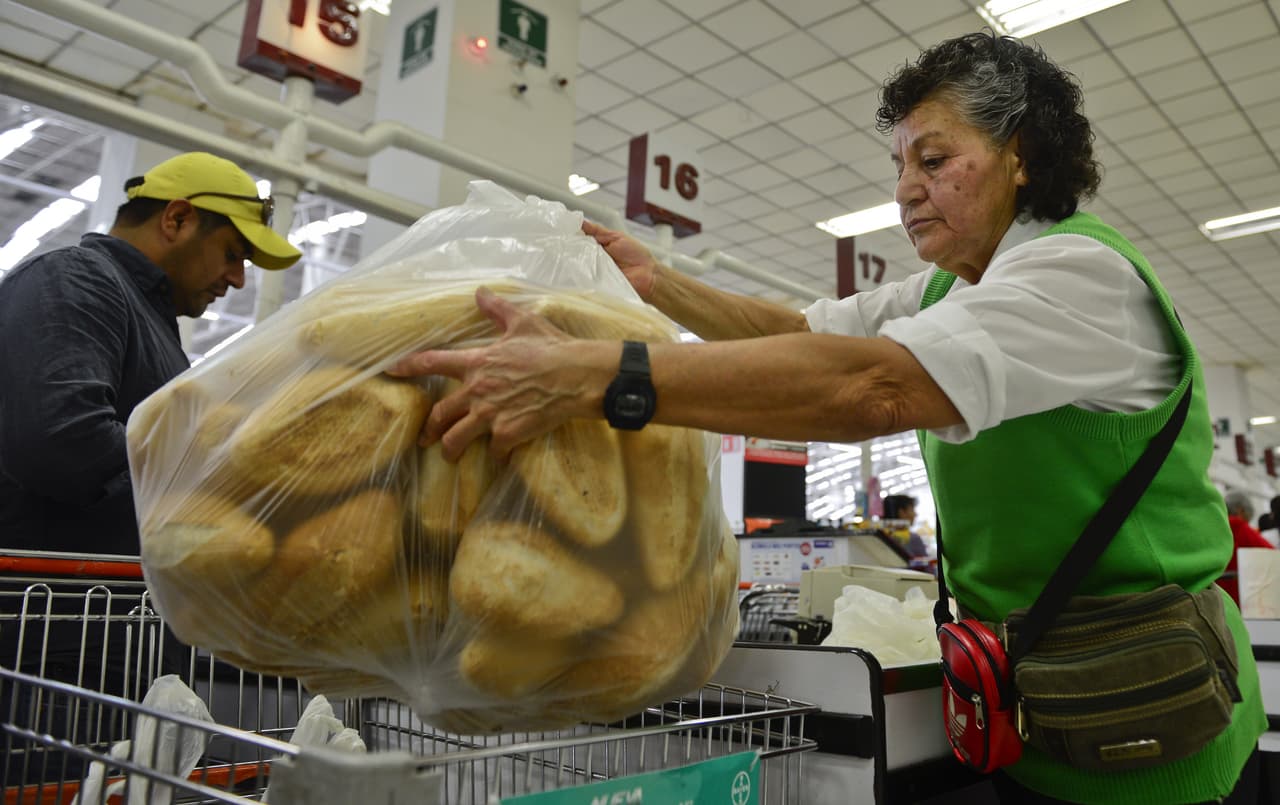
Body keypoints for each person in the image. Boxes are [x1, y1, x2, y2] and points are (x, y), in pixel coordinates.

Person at [390, 31, 1265, 804]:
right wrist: (657, 285)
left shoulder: (1081, 278)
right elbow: (802, 333)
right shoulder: (946, 289)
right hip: (1032, 701)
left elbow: (872, 388)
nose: (906, 191)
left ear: (1020, 155)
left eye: (933, 160)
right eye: (898, 168)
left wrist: (607, 378)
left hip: (1147, 713)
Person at [0, 151, 301, 556]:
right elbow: (64, 441)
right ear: (176, 220)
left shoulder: (152, 327)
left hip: (89, 605)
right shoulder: (77, 277)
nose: (238, 279)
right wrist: (216, 499)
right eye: (232, 253)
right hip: (35, 606)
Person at [1219, 489, 1276, 606]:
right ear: (1241, 510)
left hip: (1212, 596)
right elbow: (1272, 554)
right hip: (1238, 598)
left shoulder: (1214, 526)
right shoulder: (1239, 527)